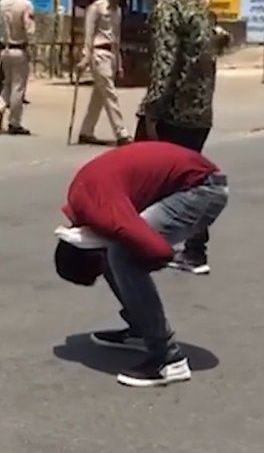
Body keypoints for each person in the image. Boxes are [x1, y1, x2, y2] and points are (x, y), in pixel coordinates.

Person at [53, 141, 228, 387]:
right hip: (192, 181)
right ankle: (140, 329)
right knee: (117, 251)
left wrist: (147, 261)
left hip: (202, 190)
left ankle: (167, 359)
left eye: (97, 270)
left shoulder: (101, 209)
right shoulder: (83, 203)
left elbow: (158, 251)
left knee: (122, 255)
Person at [135, 0, 217, 275]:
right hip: (200, 109)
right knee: (189, 181)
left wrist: (152, 109)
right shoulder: (196, 2)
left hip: (175, 111)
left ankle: (154, 245)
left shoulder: (167, 8)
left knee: (156, 179)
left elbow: (164, 65)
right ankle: (193, 249)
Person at [77, 0, 131, 147]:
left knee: (99, 96)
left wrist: (119, 63)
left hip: (111, 55)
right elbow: (89, 34)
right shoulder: (96, 8)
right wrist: (85, 57)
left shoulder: (118, 11)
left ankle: (86, 131)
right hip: (98, 53)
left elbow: (117, 38)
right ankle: (121, 132)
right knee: (110, 93)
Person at [0, 0, 34, 135]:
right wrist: (31, 49)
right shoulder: (26, 5)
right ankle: (14, 123)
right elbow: (29, 29)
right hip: (19, 49)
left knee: (7, 84)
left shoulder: (2, 4)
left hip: (4, 49)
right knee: (18, 87)